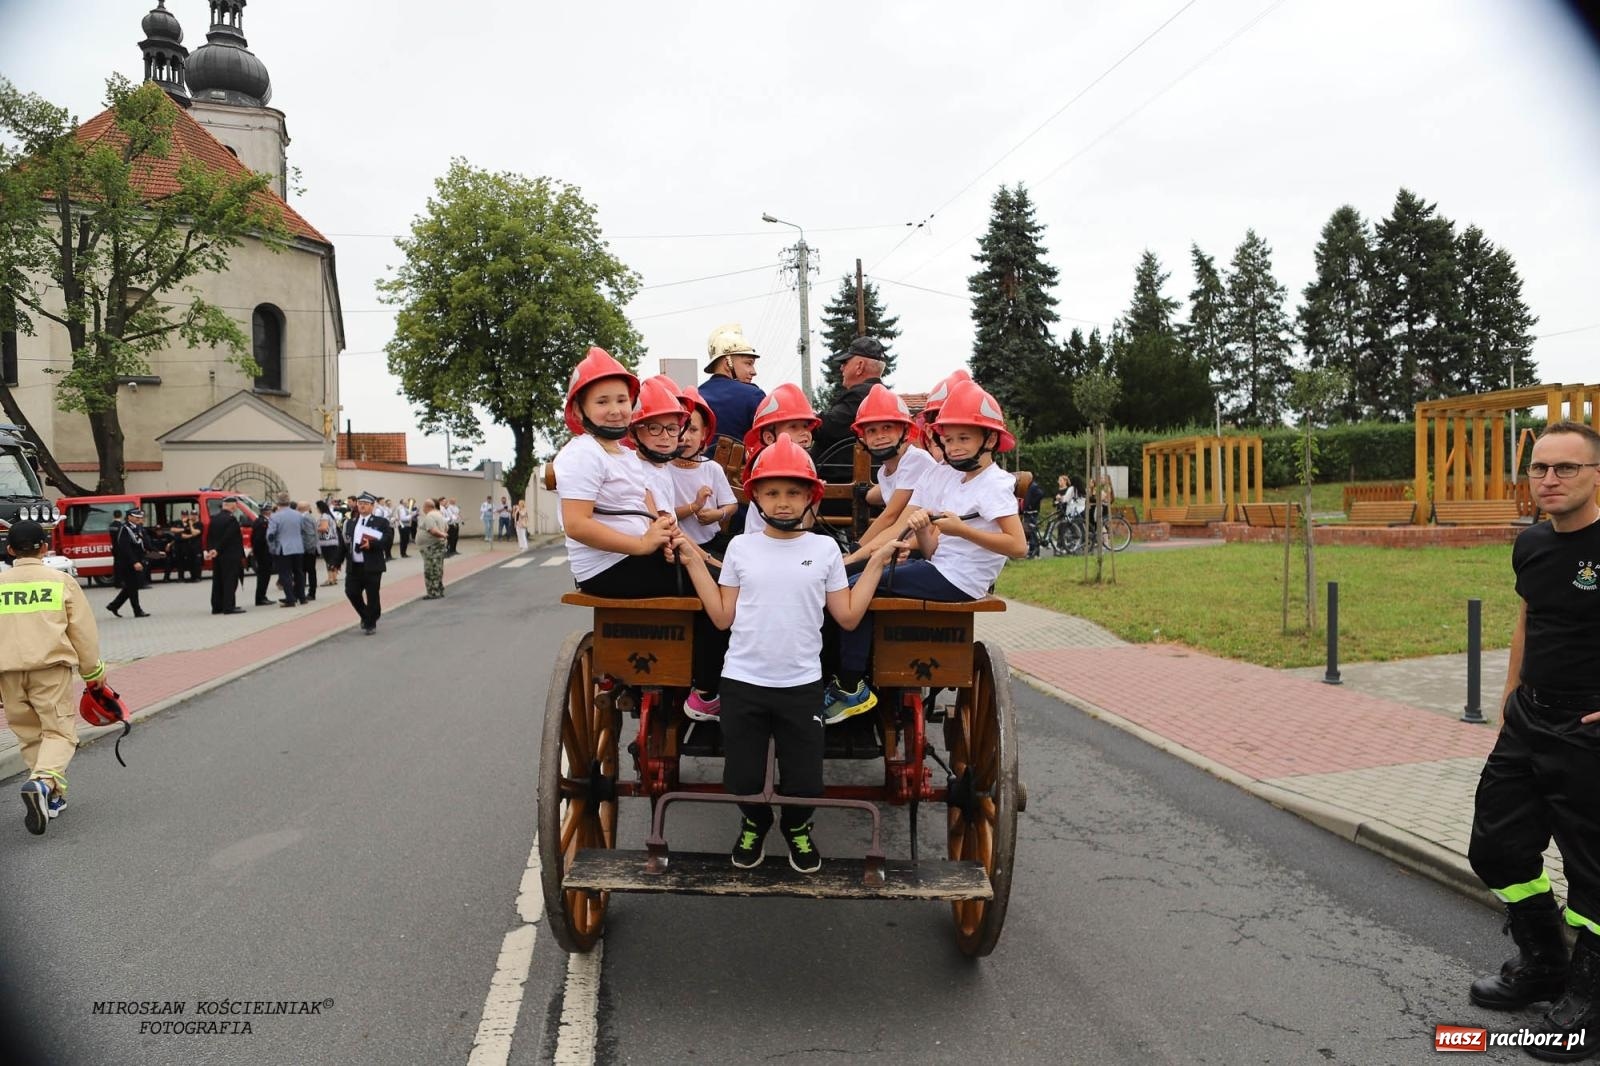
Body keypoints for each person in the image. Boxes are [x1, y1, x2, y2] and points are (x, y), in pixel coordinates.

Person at [673, 435, 897, 872]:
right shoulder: (741, 547)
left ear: (810, 497)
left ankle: (797, 828)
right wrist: (692, 559)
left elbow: (847, 617)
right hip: (742, 682)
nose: (782, 502)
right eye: (771, 492)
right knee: (741, 778)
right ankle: (754, 824)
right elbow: (721, 617)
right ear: (755, 495)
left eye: (793, 492)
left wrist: (877, 561)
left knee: (805, 781)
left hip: (800, 686)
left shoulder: (824, 549)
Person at [1466, 420, 1600, 1059]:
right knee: (1495, 846)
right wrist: (1510, 690)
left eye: (1566, 468)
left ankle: (1590, 1006)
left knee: (1594, 876)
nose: (1549, 479)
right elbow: (1529, 614)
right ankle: (1543, 962)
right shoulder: (1533, 545)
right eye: (1540, 468)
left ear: (1595, 474)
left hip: (1588, 732)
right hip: (1529, 718)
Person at [829, 380, 1028, 724]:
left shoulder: (994, 484)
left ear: (991, 440)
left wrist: (962, 529)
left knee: (859, 585)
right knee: (858, 580)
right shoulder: (952, 478)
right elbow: (934, 551)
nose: (954, 448)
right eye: (948, 440)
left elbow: (1019, 546)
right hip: (944, 570)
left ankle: (851, 683)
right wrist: (922, 531)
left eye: (963, 439)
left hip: (958, 580)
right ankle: (856, 673)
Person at [554, 346, 726, 712]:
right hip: (609, 568)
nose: (615, 408)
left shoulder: (623, 454)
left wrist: (665, 537)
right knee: (717, 592)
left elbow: (649, 509)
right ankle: (708, 690)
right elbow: (576, 524)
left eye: (622, 399)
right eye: (602, 401)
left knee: (723, 574)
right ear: (580, 410)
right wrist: (642, 545)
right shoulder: (583, 454)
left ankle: (699, 674)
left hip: (632, 559)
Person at [0, 520, 109, 836]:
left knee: (30, 733)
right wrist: (93, 673)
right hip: (49, 669)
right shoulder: (60, 582)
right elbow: (83, 633)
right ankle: (44, 781)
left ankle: (53, 799)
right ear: (45, 548)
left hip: (7, 673)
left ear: (9, 550)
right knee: (60, 732)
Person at [850, 384, 937, 552]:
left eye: (887, 428)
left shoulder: (915, 460)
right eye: (872, 431)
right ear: (863, 438)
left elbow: (890, 516)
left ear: (905, 431)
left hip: (925, 545)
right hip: (908, 543)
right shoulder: (884, 472)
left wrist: (856, 549)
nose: (880, 436)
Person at [669, 386, 738, 557]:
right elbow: (663, 516)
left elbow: (731, 504)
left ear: (704, 434)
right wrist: (694, 506)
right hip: (676, 546)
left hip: (712, 542)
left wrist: (719, 514)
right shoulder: (662, 469)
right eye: (679, 428)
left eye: (693, 430)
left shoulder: (712, 468)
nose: (685, 437)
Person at [812, 336, 888, 482]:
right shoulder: (878, 395)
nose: (841, 368)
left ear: (859, 366)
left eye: (845, 362)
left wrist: (803, 417)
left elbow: (825, 427)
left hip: (839, 487)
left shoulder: (861, 396)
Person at [697, 322, 764, 452]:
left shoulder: (694, 397)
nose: (753, 371)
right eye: (748, 363)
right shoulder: (753, 395)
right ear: (727, 363)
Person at [342, 492, 393, 634]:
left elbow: (387, 540)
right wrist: (336, 562)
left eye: (365, 503)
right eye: (360, 503)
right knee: (351, 592)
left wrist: (372, 544)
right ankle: (367, 615)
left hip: (372, 566)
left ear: (372, 506)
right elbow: (345, 543)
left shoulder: (380, 522)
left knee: (372, 595)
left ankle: (370, 624)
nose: (362, 505)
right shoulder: (351, 522)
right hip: (354, 566)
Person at [203, 496, 247, 614]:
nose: (236, 508)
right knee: (230, 581)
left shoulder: (215, 518)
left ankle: (217, 606)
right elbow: (228, 537)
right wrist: (217, 549)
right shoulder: (231, 520)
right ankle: (228, 606)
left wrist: (211, 550)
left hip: (217, 556)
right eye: (236, 505)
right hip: (230, 555)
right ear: (232, 505)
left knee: (218, 580)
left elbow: (210, 537)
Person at [105, 509, 151, 618]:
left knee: (131, 587)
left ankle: (114, 605)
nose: (139, 519)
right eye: (136, 517)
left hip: (136, 561)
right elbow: (125, 548)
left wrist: (156, 551)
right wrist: (134, 562)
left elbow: (144, 542)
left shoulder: (137, 528)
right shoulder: (124, 529)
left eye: (140, 518)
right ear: (129, 517)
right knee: (132, 587)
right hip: (127, 563)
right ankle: (137, 611)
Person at [266, 492, 305, 607]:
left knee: (285, 574)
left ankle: (290, 598)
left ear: (277, 502)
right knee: (299, 572)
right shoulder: (298, 515)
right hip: (298, 547)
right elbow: (302, 530)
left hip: (283, 548)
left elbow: (270, 535)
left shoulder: (275, 516)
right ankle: (302, 597)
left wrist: (272, 548)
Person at [417, 497, 450, 598]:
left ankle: (433, 592)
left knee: (431, 570)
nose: (423, 508)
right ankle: (439, 589)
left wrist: (442, 535)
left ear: (428, 507)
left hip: (431, 547)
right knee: (437, 568)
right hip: (437, 545)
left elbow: (433, 530)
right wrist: (443, 534)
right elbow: (446, 527)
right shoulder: (440, 515)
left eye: (423, 506)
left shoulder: (430, 516)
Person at [251, 503, 275, 605]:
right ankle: (260, 598)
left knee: (265, 575)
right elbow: (259, 540)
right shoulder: (262, 522)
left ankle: (262, 596)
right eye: (270, 510)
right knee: (263, 576)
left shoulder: (263, 521)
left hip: (264, 553)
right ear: (267, 511)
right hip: (263, 553)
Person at [316, 499, 344, 584]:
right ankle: (334, 578)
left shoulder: (324, 516)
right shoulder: (330, 515)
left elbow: (324, 528)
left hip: (327, 541)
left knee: (329, 560)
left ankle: (330, 579)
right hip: (333, 541)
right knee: (333, 560)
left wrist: (314, 529)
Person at [297, 501, 320, 602]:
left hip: (308, 549)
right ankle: (308, 592)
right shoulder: (310, 516)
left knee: (308, 571)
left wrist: (308, 548)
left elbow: (309, 534)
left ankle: (311, 593)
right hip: (311, 548)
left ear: (299, 508)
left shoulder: (305, 518)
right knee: (310, 571)